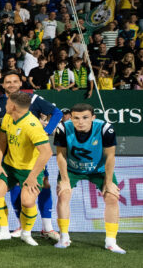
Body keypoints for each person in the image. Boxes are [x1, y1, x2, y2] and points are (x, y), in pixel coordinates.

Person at [0, 71, 63, 238]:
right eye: (8, 82)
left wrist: (46, 132)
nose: (12, 85)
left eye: (15, 81)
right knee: (11, 190)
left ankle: (47, 226)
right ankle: (18, 226)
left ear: (20, 83)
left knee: (42, 187)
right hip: (11, 154)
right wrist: (0, 151)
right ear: (3, 85)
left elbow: (57, 113)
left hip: (33, 156)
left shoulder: (33, 99)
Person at [53, 103, 125, 254]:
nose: (80, 122)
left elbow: (110, 156)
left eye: (85, 118)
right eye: (76, 118)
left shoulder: (105, 129)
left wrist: (109, 181)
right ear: (71, 118)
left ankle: (111, 242)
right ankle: (64, 237)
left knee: (112, 197)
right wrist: (65, 180)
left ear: (93, 117)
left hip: (99, 170)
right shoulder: (63, 128)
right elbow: (61, 155)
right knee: (63, 195)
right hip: (72, 169)